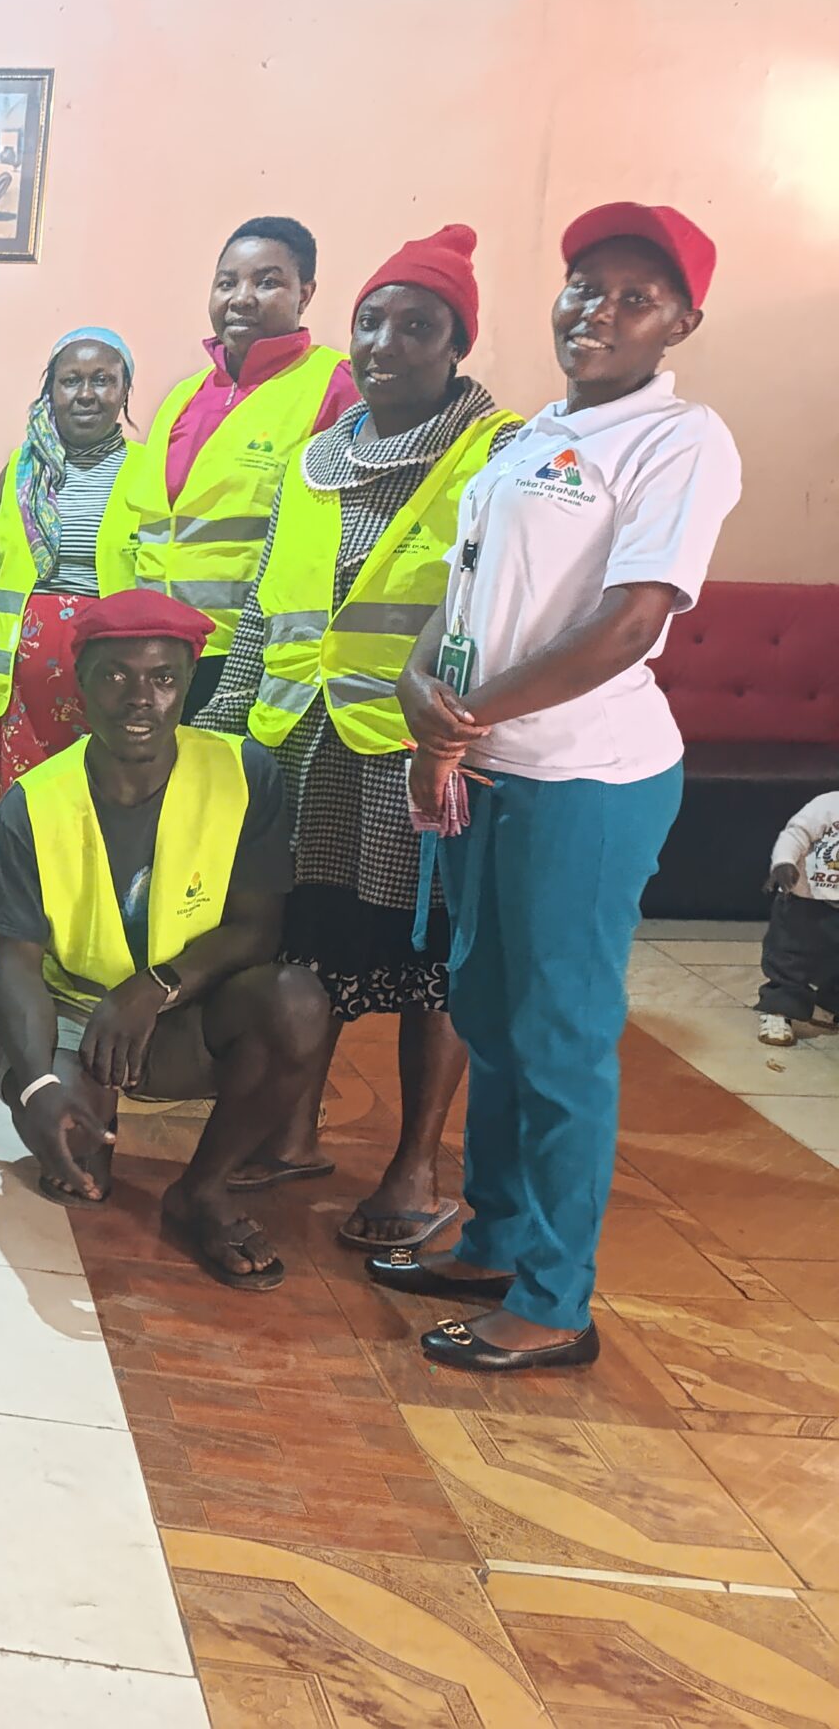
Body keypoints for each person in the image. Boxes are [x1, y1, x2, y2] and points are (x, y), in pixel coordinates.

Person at [384, 203, 740, 1373]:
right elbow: (466, 593)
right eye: (583, 284)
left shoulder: (678, 440)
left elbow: (632, 621)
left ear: (680, 319)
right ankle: (494, 1235)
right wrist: (418, 682)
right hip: (484, 767)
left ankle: (552, 1297)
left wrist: (472, 712)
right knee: (484, 1009)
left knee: (561, 1034)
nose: (596, 309)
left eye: (632, 295)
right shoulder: (526, 436)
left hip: (584, 779)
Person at [195, 226, 521, 1253]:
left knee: (430, 963)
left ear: (455, 342)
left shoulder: (495, 453)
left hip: (418, 754)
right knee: (312, 938)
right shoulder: (318, 457)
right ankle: (292, 1122)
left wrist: (461, 732)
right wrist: (225, 715)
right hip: (304, 745)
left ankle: (416, 1158)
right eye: (370, 323)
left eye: (415, 325)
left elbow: (504, 601)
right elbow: (263, 603)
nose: (385, 344)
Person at [0, 590, 331, 1290]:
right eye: (116, 676)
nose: (140, 698)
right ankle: (77, 1099)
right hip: (76, 1015)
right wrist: (39, 1081)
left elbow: (258, 929)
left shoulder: (244, 773)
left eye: (163, 678)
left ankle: (204, 1189)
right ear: (81, 685)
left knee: (297, 1002)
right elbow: (14, 964)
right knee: (77, 1168)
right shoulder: (31, 805)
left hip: (188, 1013)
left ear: (188, 683)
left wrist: (154, 988)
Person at [126, 217, 358, 709]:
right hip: (159, 650)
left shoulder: (335, 384)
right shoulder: (183, 396)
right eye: (227, 282)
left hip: (253, 655)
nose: (241, 297)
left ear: (306, 293)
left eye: (267, 281)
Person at [0, 327, 144, 784]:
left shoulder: (149, 472)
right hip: (16, 687)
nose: (86, 394)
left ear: (125, 389)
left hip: (112, 676)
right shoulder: (20, 471)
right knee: (19, 811)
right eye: (71, 380)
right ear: (51, 391)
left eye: (103, 379)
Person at [759, 789, 839, 1046]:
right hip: (806, 900)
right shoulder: (827, 805)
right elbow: (796, 834)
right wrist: (784, 862)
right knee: (790, 958)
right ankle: (778, 1010)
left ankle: (830, 1007)